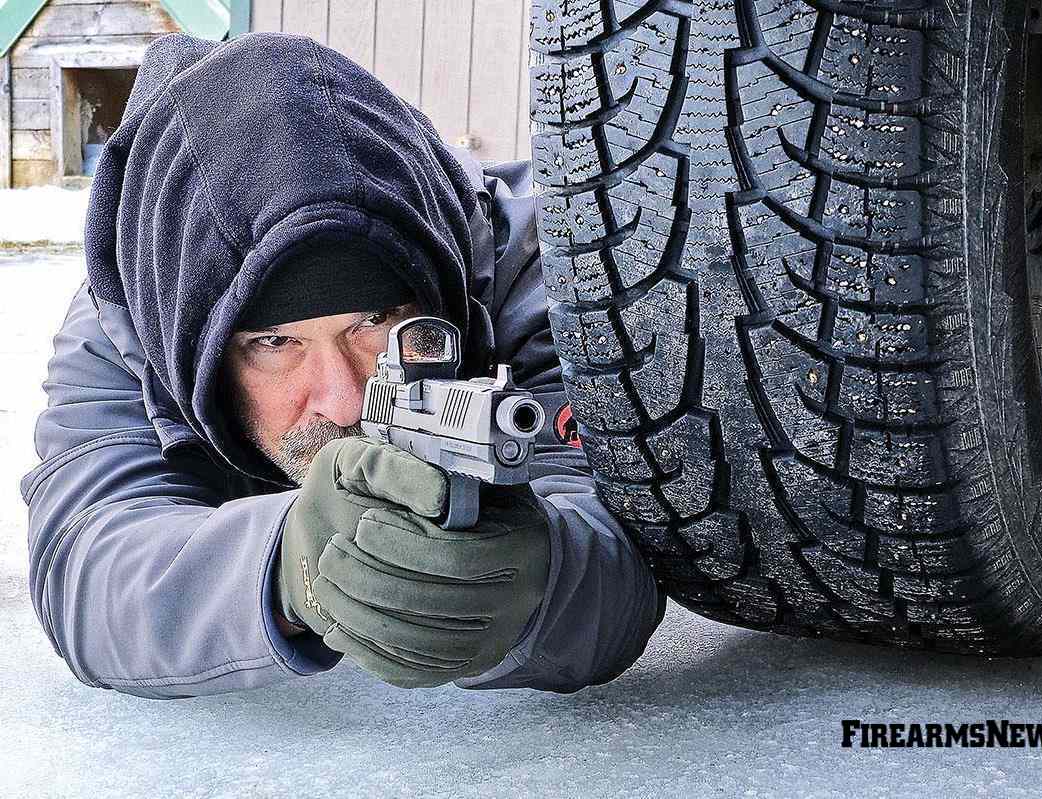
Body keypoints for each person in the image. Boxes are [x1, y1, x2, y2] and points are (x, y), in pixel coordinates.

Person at [19, 31, 665, 699]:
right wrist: (285, 566)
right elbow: (88, 563)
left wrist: (537, 578)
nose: (344, 400)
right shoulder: (135, 316)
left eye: (377, 324)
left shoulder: (548, 265)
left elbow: (637, 539)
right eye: (272, 342)